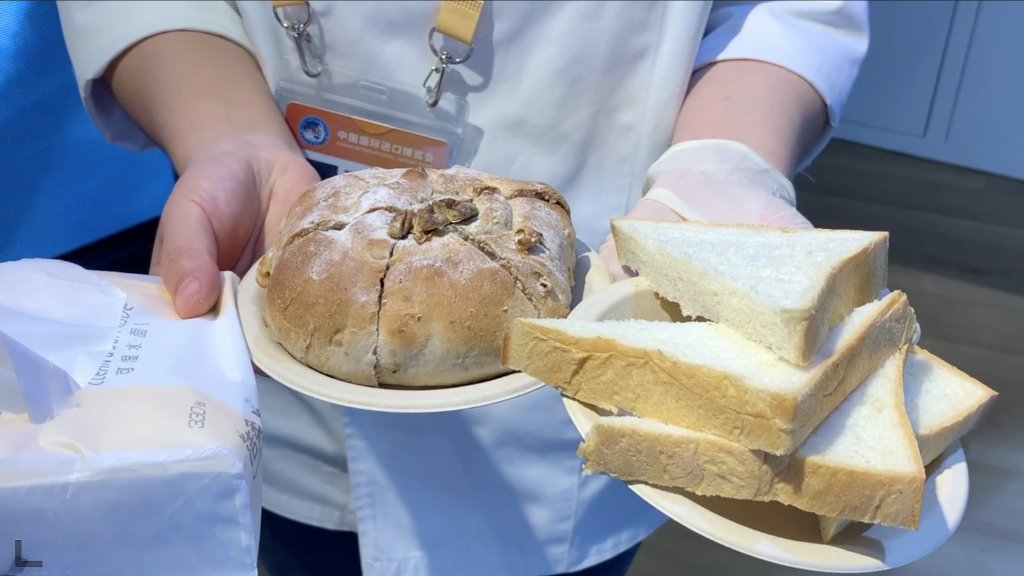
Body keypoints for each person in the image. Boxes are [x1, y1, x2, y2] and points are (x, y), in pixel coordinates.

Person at [56, 2, 869, 576]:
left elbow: (785, 11)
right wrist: (226, 133)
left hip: (575, 386)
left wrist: (721, 165)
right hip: (287, 392)